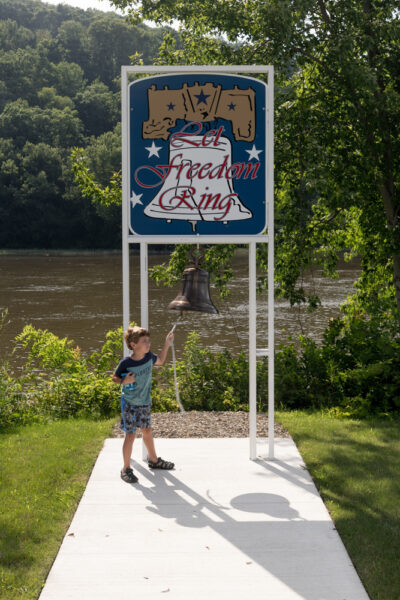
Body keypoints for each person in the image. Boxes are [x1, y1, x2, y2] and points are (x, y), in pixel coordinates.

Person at [112, 325, 175, 483]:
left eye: (148, 340)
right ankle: (125, 468)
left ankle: (153, 460)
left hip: (144, 402)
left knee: (147, 430)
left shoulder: (149, 357)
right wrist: (123, 380)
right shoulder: (126, 362)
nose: (148, 344)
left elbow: (160, 361)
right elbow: (114, 378)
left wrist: (167, 343)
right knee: (131, 434)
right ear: (134, 345)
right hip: (129, 403)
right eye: (144, 341)